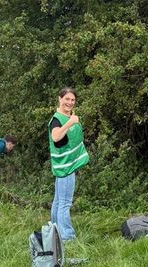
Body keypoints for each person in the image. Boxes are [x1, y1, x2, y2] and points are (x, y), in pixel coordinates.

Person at [49, 87, 88, 241]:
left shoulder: (66, 117)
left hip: (65, 166)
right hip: (65, 167)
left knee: (58, 201)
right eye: (67, 99)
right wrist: (70, 123)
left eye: (72, 100)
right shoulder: (58, 119)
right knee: (64, 203)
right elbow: (56, 137)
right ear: (60, 99)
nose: (70, 102)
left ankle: (54, 231)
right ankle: (67, 237)